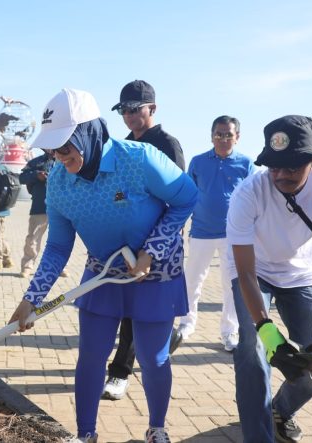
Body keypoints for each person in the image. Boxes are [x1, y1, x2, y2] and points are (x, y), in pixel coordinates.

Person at [9, 88, 197, 443]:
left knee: (153, 357)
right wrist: (32, 297)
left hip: (155, 272)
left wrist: (152, 250)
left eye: (65, 146)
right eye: (51, 148)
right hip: (103, 273)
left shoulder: (140, 158)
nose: (58, 156)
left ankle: (157, 428)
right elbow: (58, 246)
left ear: (88, 132)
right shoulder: (60, 184)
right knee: (91, 356)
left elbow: (187, 199)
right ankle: (86, 434)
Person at [227, 115, 312, 443]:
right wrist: (266, 330)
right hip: (253, 274)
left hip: (302, 275)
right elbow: (244, 270)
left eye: (291, 167)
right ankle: (258, 437)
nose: (281, 175)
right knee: (252, 354)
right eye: (274, 167)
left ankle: (280, 410)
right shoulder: (248, 193)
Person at [102, 80, 186, 401]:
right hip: (127, 237)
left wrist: (159, 243)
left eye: (135, 109)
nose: (128, 115)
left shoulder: (167, 144)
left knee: (134, 310)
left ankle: (119, 373)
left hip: (157, 240)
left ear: (152, 108)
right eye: (123, 109)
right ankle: (167, 335)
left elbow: (178, 196)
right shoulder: (122, 145)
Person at [177, 116, 255, 352]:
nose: (223, 139)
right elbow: (186, 195)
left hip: (234, 234)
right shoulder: (198, 162)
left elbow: (253, 198)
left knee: (231, 285)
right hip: (200, 231)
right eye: (218, 134)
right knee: (192, 280)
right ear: (211, 136)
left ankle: (229, 331)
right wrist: (179, 226)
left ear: (237, 137)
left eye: (228, 134)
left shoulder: (245, 163)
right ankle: (186, 324)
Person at [18, 148, 68, 278]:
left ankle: (60, 267)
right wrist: (36, 175)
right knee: (33, 238)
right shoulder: (36, 162)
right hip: (40, 206)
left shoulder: (67, 159)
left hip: (61, 207)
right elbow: (21, 178)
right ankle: (27, 266)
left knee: (61, 239)